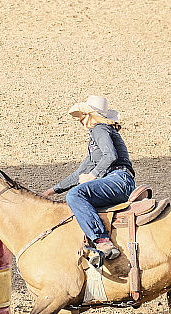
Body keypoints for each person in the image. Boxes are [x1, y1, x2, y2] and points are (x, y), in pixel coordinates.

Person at [42, 95, 136, 260]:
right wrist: (51, 191)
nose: (80, 121)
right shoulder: (97, 139)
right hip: (117, 180)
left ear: (89, 115)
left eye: (82, 116)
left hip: (118, 179)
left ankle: (102, 241)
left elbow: (110, 156)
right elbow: (80, 173)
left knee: (75, 195)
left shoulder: (100, 128)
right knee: (78, 198)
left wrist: (93, 176)